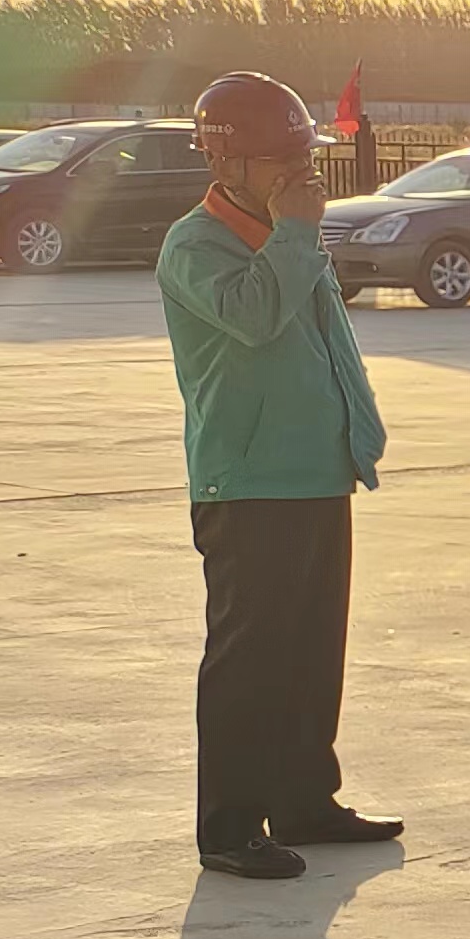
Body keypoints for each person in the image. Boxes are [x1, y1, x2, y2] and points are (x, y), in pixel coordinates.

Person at [159, 71, 400, 879]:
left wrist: (356, 436)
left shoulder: (290, 234)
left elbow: (332, 346)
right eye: (284, 162)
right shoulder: (196, 245)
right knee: (250, 660)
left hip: (316, 473)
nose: (303, 174)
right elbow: (256, 317)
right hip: (249, 484)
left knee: (310, 654)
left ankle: (304, 802)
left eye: (307, 159)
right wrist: (296, 235)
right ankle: (229, 828)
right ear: (226, 163)